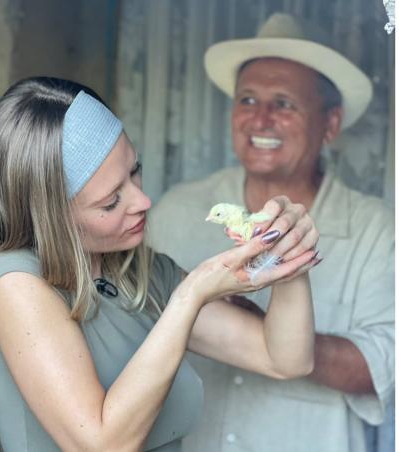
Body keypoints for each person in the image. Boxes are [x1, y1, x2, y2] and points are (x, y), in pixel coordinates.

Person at [0, 77, 321, 451]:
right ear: (50, 215)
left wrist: (288, 254)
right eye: (111, 201)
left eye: (135, 171)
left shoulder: (137, 273)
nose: (143, 201)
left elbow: (285, 358)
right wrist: (191, 295)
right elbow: (103, 445)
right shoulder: (15, 284)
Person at [147, 13, 394, 452]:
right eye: (247, 100)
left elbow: (382, 368)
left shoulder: (375, 229)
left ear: (330, 124)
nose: (260, 120)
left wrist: (261, 328)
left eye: (284, 104)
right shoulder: (178, 211)